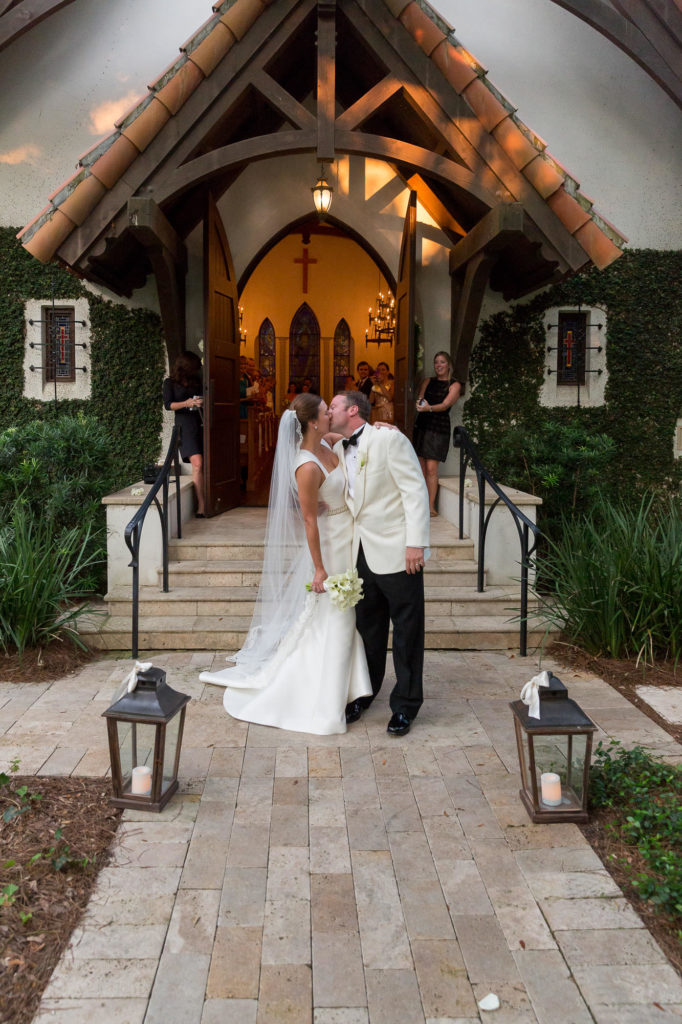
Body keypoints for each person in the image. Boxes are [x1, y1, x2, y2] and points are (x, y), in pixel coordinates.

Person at [199, 393, 372, 734]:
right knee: (337, 614)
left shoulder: (329, 443)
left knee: (342, 615)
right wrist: (320, 568)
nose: (330, 414)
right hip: (329, 545)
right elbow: (308, 520)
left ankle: (351, 686)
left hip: (348, 535)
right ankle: (326, 696)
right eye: (325, 411)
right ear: (311, 421)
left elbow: (353, 439)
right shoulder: (306, 465)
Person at [328, 390, 430, 736]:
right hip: (360, 553)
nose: (328, 411)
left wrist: (415, 543)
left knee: (407, 632)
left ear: (352, 410)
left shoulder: (389, 440)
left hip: (399, 552)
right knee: (368, 631)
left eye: (334, 406)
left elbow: (414, 490)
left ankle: (405, 705)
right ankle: (364, 693)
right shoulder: (339, 446)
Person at [412, 351, 464, 517]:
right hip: (422, 425)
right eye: (436, 362)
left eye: (442, 362)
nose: (438, 365)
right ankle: (419, 505)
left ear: (448, 365)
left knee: (431, 469)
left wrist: (429, 408)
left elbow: (445, 404)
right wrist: (421, 404)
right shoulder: (428, 381)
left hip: (438, 427)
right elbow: (420, 398)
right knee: (419, 468)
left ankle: (431, 506)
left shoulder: (455, 385)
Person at [162, 351, 205, 517]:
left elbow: (204, 396)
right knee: (197, 463)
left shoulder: (196, 380)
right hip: (184, 426)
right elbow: (168, 405)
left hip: (200, 422)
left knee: (204, 464)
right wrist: (186, 403)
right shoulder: (170, 382)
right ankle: (201, 504)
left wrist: (199, 401)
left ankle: (203, 503)